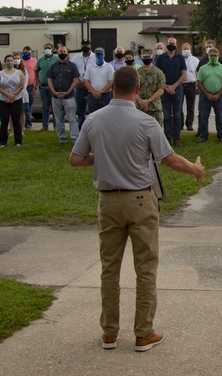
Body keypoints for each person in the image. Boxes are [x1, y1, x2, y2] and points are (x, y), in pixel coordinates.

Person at [69, 66, 205, 351]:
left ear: (112, 86)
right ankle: (143, 332)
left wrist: (104, 158)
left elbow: (76, 159)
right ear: (138, 87)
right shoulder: (146, 123)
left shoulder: (93, 120)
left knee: (109, 268)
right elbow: (170, 160)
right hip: (141, 201)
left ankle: (109, 332)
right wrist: (195, 169)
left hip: (108, 201)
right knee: (145, 267)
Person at [154, 37, 187, 147]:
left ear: (176, 45)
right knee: (167, 116)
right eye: (169, 43)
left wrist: (174, 86)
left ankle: (176, 138)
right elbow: (157, 75)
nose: (171, 45)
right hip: (164, 90)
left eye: (173, 43)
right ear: (166, 44)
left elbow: (184, 74)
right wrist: (167, 87)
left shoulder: (180, 58)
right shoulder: (160, 58)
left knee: (177, 115)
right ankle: (167, 139)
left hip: (177, 89)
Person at [196, 47, 222, 144]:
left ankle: (221, 137)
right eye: (211, 56)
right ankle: (203, 136)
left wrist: (219, 94)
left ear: (218, 56)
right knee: (203, 117)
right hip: (205, 96)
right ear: (208, 56)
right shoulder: (203, 68)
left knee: (220, 117)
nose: (213, 57)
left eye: (215, 56)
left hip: (218, 96)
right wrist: (206, 94)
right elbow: (199, 82)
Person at [48, 46, 80, 144]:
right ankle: (62, 139)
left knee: (72, 119)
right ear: (57, 53)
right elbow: (49, 80)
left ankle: (75, 139)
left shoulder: (72, 66)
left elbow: (75, 80)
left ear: (67, 53)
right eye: (60, 51)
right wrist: (54, 92)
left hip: (69, 97)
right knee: (58, 120)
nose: (62, 53)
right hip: (55, 97)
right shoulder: (53, 66)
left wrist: (68, 92)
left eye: (64, 51)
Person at [0, 54, 25, 147]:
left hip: (16, 99)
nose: (10, 62)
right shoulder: (0, 73)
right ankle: (3, 142)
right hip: (2, 100)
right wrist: (8, 95)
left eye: (11, 60)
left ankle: (18, 141)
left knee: (16, 120)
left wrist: (13, 95)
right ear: (5, 62)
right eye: (8, 60)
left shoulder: (19, 72)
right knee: (4, 120)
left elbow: (21, 85)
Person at [135, 49, 165, 126]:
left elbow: (161, 90)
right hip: (139, 108)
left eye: (148, 56)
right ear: (141, 57)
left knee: (156, 133)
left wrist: (148, 101)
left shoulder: (159, 72)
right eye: (144, 57)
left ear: (153, 57)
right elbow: (133, 90)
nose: (146, 58)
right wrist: (141, 102)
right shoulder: (136, 73)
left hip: (154, 108)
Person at [83, 48, 115, 115]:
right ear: (95, 55)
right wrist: (93, 92)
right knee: (92, 116)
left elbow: (111, 82)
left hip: (105, 96)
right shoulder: (89, 67)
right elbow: (86, 81)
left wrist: (101, 92)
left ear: (104, 55)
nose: (99, 56)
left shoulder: (109, 67)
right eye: (97, 54)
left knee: (106, 116)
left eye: (101, 54)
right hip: (92, 96)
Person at [35, 43, 58, 131]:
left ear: (52, 49)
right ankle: (45, 126)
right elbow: (36, 71)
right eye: (46, 48)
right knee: (45, 107)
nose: (47, 49)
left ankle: (56, 126)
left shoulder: (56, 59)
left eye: (49, 48)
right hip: (43, 87)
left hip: (53, 87)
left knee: (54, 107)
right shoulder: (40, 60)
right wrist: (38, 81)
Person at [74, 40, 95, 130]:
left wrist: (87, 84)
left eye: (87, 44)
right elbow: (73, 71)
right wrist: (79, 82)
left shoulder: (95, 57)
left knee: (92, 110)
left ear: (90, 45)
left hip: (91, 87)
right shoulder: (76, 58)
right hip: (79, 86)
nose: (85, 46)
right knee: (80, 110)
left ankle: (91, 129)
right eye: (83, 44)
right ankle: (81, 130)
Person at [180, 43, 199, 132]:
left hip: (191, 84)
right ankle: (180, 123)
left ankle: (189, 123)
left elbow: (198, 73)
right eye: (184, 49)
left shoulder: (195, 60)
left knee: (190, 106)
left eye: (187, 48)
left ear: (190, 49)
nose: (185, 50)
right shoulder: (179, 59)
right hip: (180, 84)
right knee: (179, 105)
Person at [19, 46, 37, 129]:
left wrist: (35, 87)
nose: (27, 54)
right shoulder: (20, 61)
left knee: (28, 107)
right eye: (25, 53)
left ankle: (28, 124)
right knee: (20, 107)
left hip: (30, 86)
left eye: (29, 53)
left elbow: (37, 75)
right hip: (20, 87)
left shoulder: (34, 61)